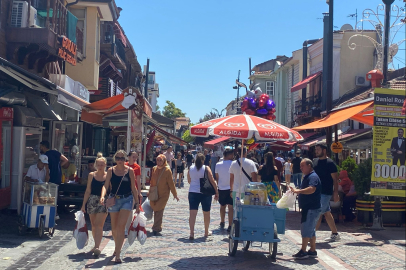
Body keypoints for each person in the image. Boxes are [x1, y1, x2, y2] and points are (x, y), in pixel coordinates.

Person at [100, 150, 140, 264]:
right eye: (118, 158)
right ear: (115, 159)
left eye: (122, 158)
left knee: (121, 226)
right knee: (114, 228)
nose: (120, 160)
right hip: (114, 200)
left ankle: (118, 254)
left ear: (125, 159)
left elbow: (134, 188)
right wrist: (102, 196)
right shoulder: (110, 170)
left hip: (127, 199)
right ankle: (117, 247)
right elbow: (106, 185)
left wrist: (137, 203)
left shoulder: (130, 171)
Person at [290, 158, 322, 259]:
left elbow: (312, 189)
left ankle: (303, 251)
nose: (300, 168)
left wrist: (299, 191)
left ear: (309, 166)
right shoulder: (308, 176)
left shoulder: (313, 177)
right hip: (309, 208)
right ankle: (312, 250)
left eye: (302, 166)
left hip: (311, 208)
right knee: (311, 229)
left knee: (306, 229)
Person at [80, 153, 108, 257]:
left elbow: (108, 188)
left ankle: (97, 247)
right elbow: (88, 190)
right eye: (99, 164)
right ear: (96, 165)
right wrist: (83, 205)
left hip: (102, 201)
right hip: (92, 200)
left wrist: (104, 197)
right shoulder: (91, 175)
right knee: (93, 225)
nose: (100, 167)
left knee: (99, 224)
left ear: (105, 165)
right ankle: (96, 244)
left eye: (102, 165)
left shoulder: (107, 175)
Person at [187, 153, 219, 239]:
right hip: (205, 193)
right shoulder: (206, 168)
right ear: (203, 160)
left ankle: (191, 233)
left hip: (193, 192)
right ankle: (206, 231)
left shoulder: (191, 168)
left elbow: (189, 180)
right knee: (206, 213)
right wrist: (216, 191)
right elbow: (212, 180)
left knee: (192, 213)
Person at [313, 143, 340, 242]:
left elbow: (335, 180)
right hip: (316, 192)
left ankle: (311, 235)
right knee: (326, 212)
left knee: (318, 212)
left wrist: (335, 193)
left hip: (326, 192)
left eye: (318, 149)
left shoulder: (330, 163)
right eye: (316, 149)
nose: (316, 151)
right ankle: (335, 234)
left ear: (324, 150)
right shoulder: (315, 162)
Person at [148, 154, 179, 235]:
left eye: (160, 160)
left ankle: (156, 228)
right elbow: (152, 181)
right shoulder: (154, 168)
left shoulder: (167, 170)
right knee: (155, 208)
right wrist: (149, 190)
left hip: (163, 195)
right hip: (154, 193)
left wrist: (175, 194)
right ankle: (157, 226)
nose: (159, 162)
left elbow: (171, 184)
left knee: (159, 209)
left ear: (164, 161)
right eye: (157, 160)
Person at [215, 149, 234, 232]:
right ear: (229, 155)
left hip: (221, 188)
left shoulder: (218, 165)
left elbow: (217, 177)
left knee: (222, 206)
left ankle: (222, 221)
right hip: (231, 188)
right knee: (231, 207)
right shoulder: (233, 164)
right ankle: (230, 225)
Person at [125, 151, 143, 234]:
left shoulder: (137, 167)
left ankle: (127, 227)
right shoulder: (124, 165)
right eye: (133, 156)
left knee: (129, 209)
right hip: (124, 189)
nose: (135, 158)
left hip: (133, 190)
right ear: (128, 157)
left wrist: (139, 192)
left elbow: (138, 181)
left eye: (136, 157)